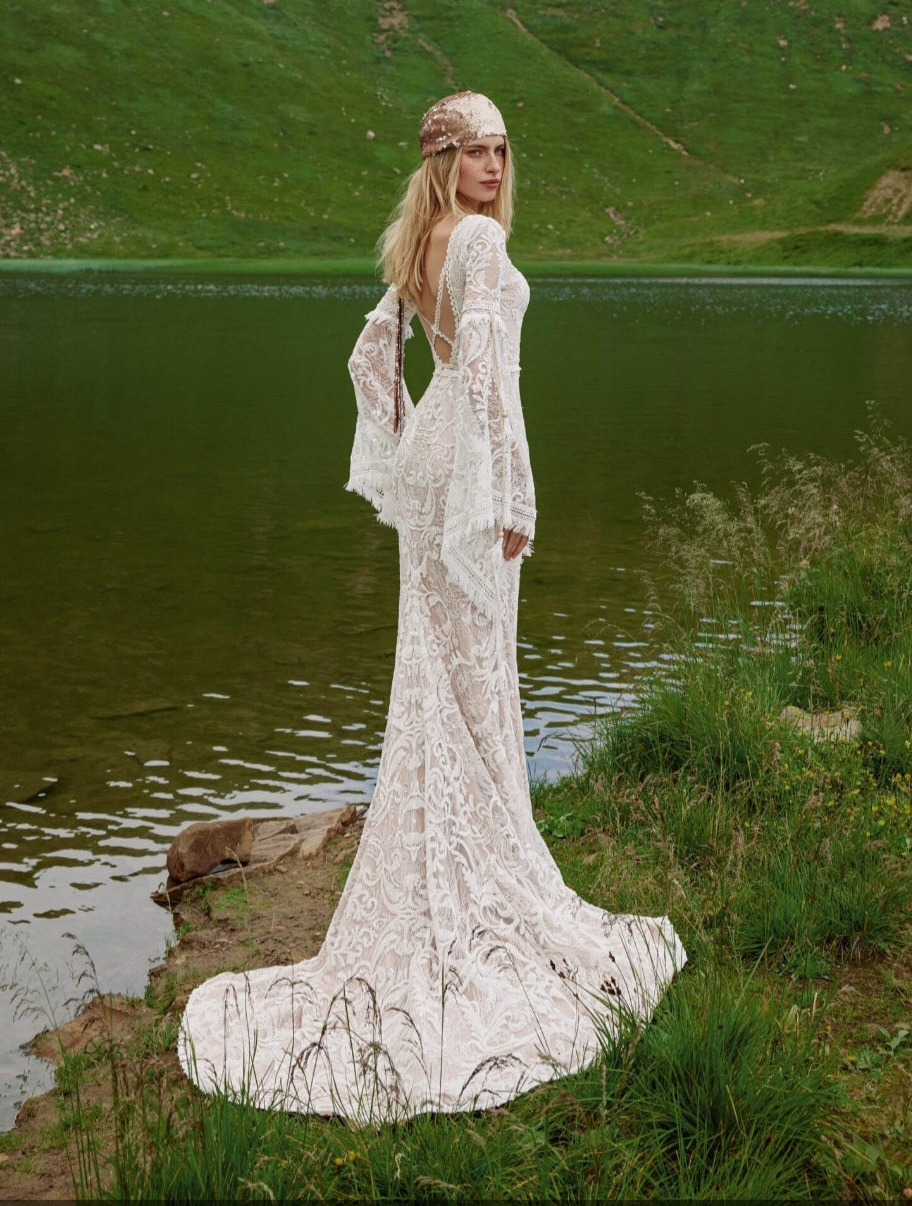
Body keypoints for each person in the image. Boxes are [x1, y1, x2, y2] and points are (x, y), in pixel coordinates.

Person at [178, 91, 685, 1119]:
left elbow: (376, 355)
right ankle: (483, 864)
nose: (495, 166)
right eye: (475, 151)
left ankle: (457, 844)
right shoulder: (481, 248)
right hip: (466, 464)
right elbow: (495, 386)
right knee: (470, 667)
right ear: (444, 160)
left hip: (431, 460)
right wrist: (516, 494)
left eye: (502, 149)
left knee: (440, 672)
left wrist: (411, 433)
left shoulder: (423, 244)